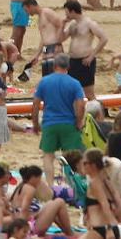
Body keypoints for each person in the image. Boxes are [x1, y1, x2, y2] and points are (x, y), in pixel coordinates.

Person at [32, 54, 86, 182]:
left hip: (49, 122)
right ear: (68, 66)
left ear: (54, 66)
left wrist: (35, 122)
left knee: (48, 156)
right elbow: (80, 105)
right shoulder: (74, 83)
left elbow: (35, 104)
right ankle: (70, 184)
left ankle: (50, 185)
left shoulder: (44, 81)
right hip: (68, 122)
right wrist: (79, 121)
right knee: (70, 157)